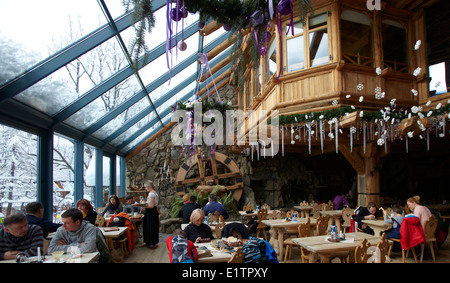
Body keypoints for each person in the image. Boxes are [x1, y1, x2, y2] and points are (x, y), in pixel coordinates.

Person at [142, 180, 159, 249]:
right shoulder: (154, 193)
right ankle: (149, 242)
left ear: (148, 187)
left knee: (150, 227)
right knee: (150, 227)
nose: (146, 189)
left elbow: (151, 206)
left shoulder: (152, 194)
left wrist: (142, 205)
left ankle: (151, 243)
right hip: (152, 212)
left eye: (146, 187)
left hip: (151, 212)